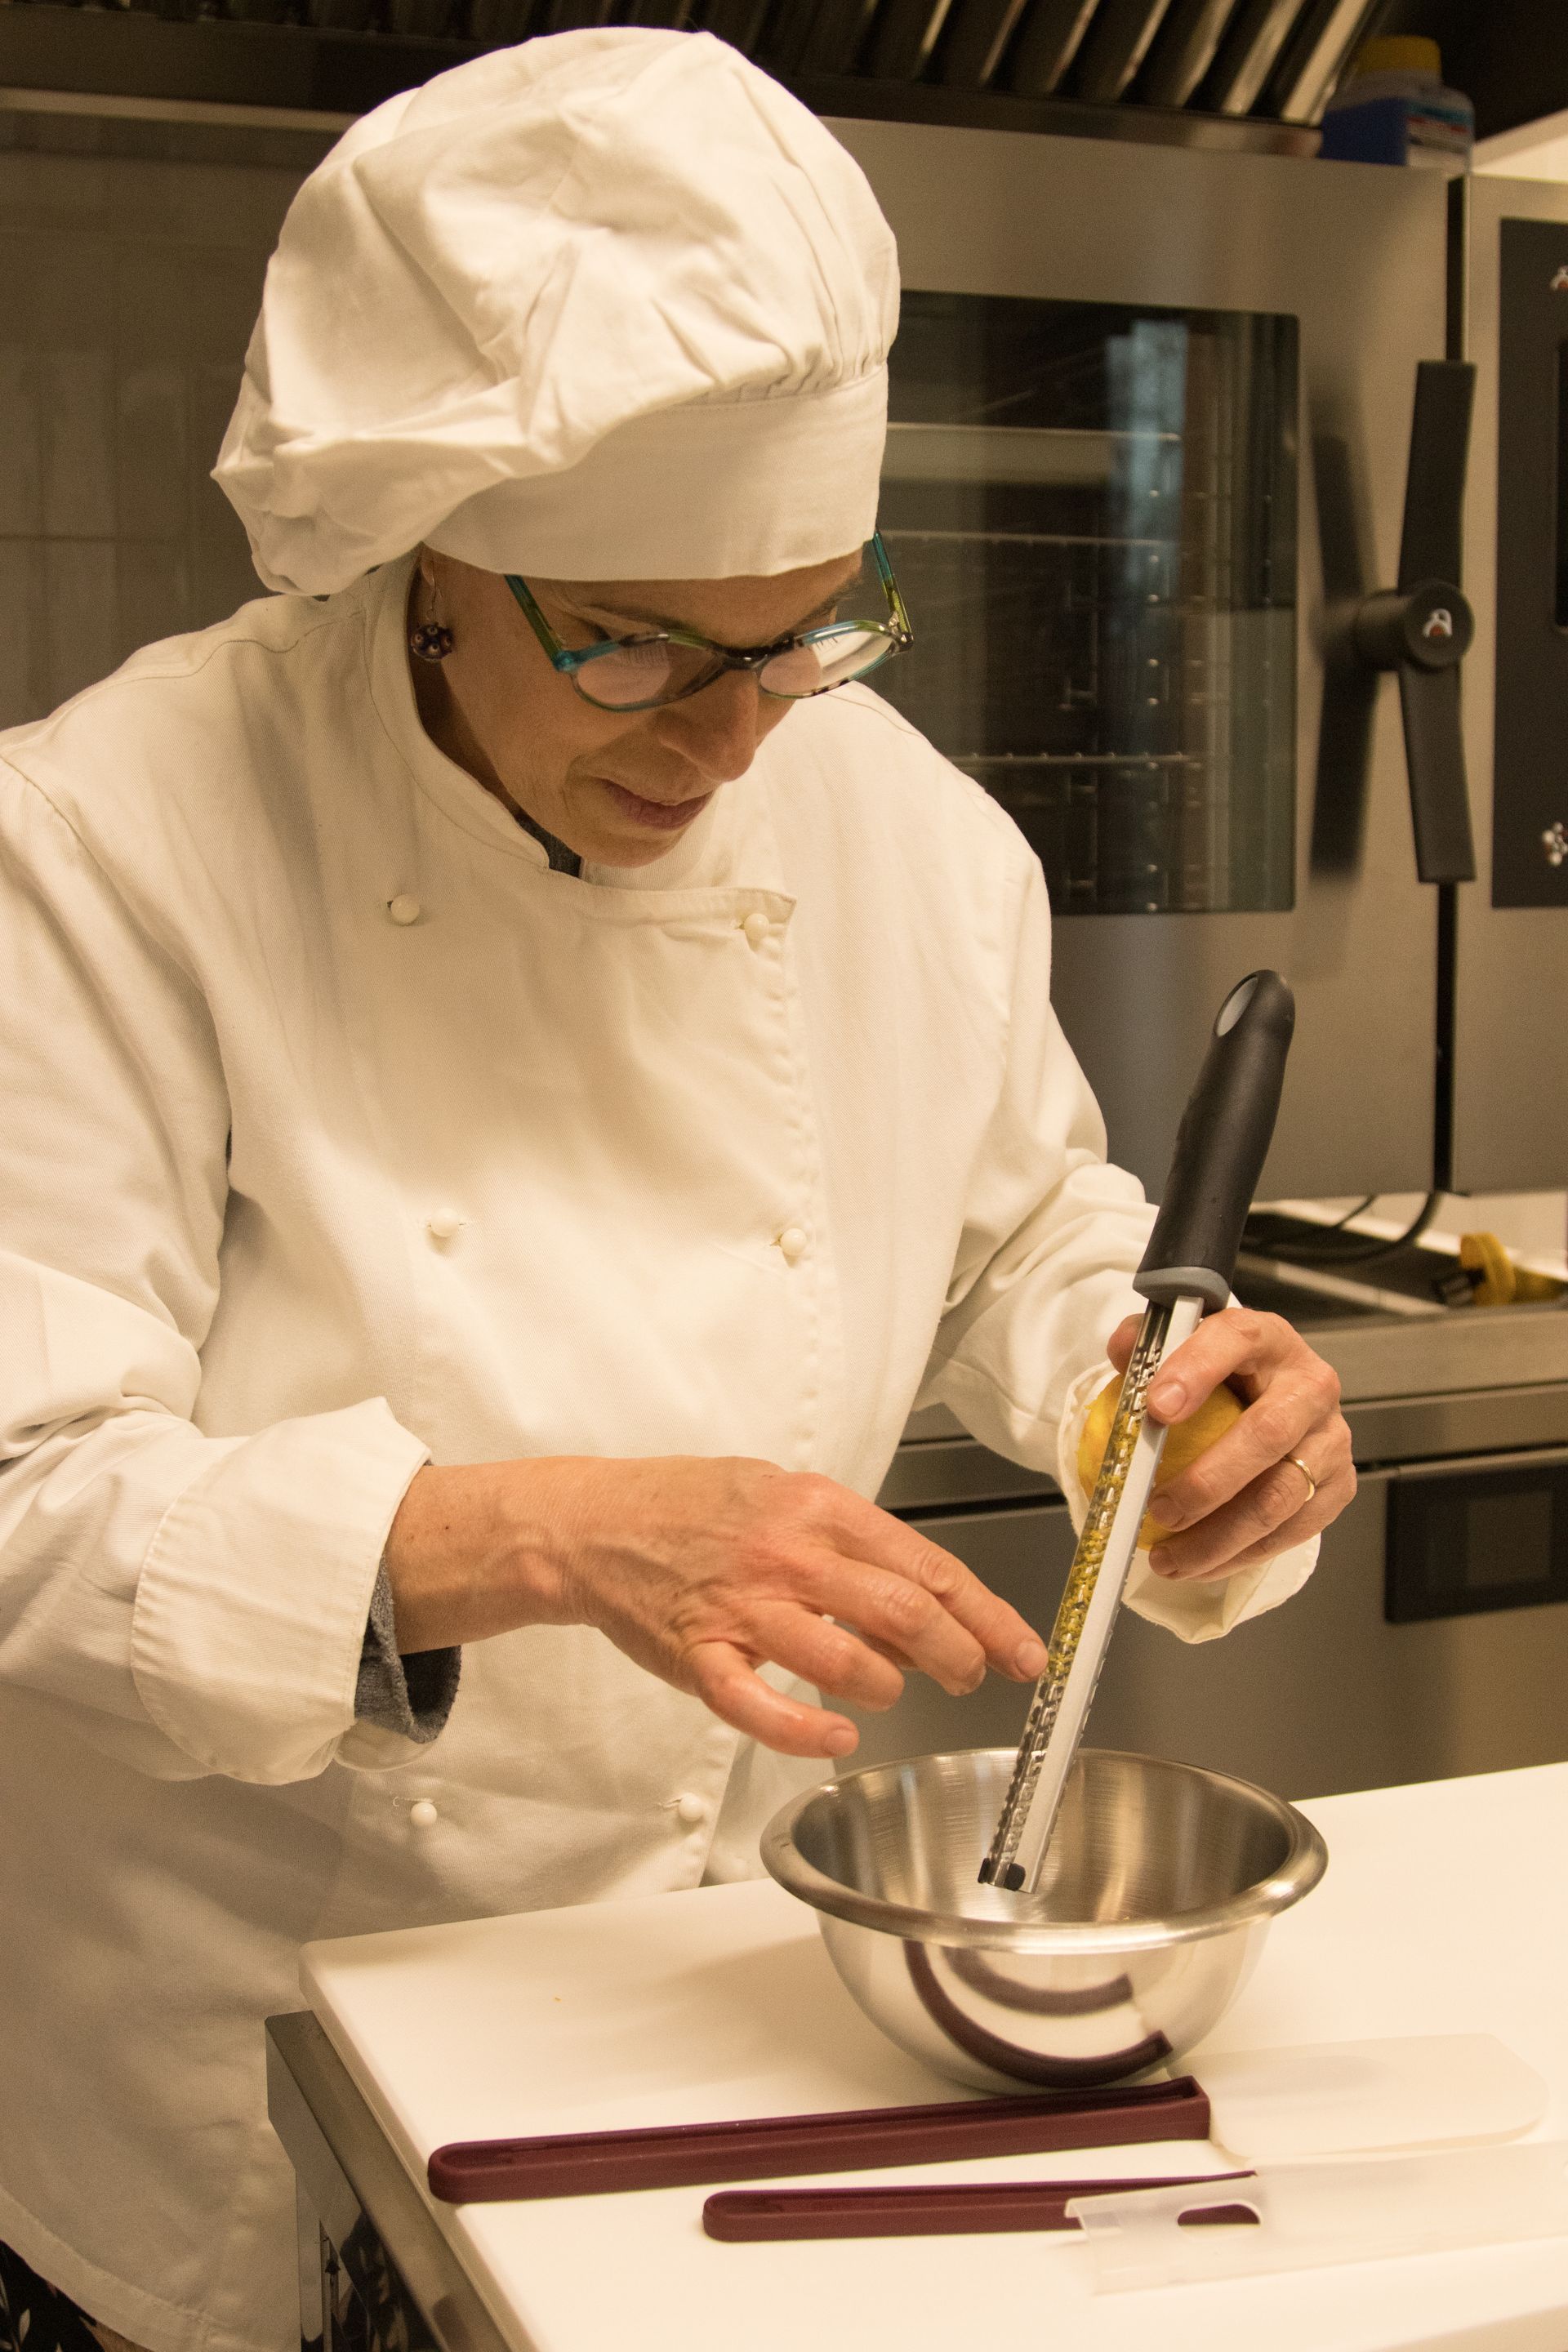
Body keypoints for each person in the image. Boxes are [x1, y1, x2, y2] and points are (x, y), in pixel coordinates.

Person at [0, 28, 1353, 2350]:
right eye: (632, 642)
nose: (734, 738)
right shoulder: (109, 840)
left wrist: (1163, 1399)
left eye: (814, 626)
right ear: (432, 551)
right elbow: (22, 1486)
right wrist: (529, 1535)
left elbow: (1027, 1232)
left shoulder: (899, 828)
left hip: (703, 2011)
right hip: (240, 2061)